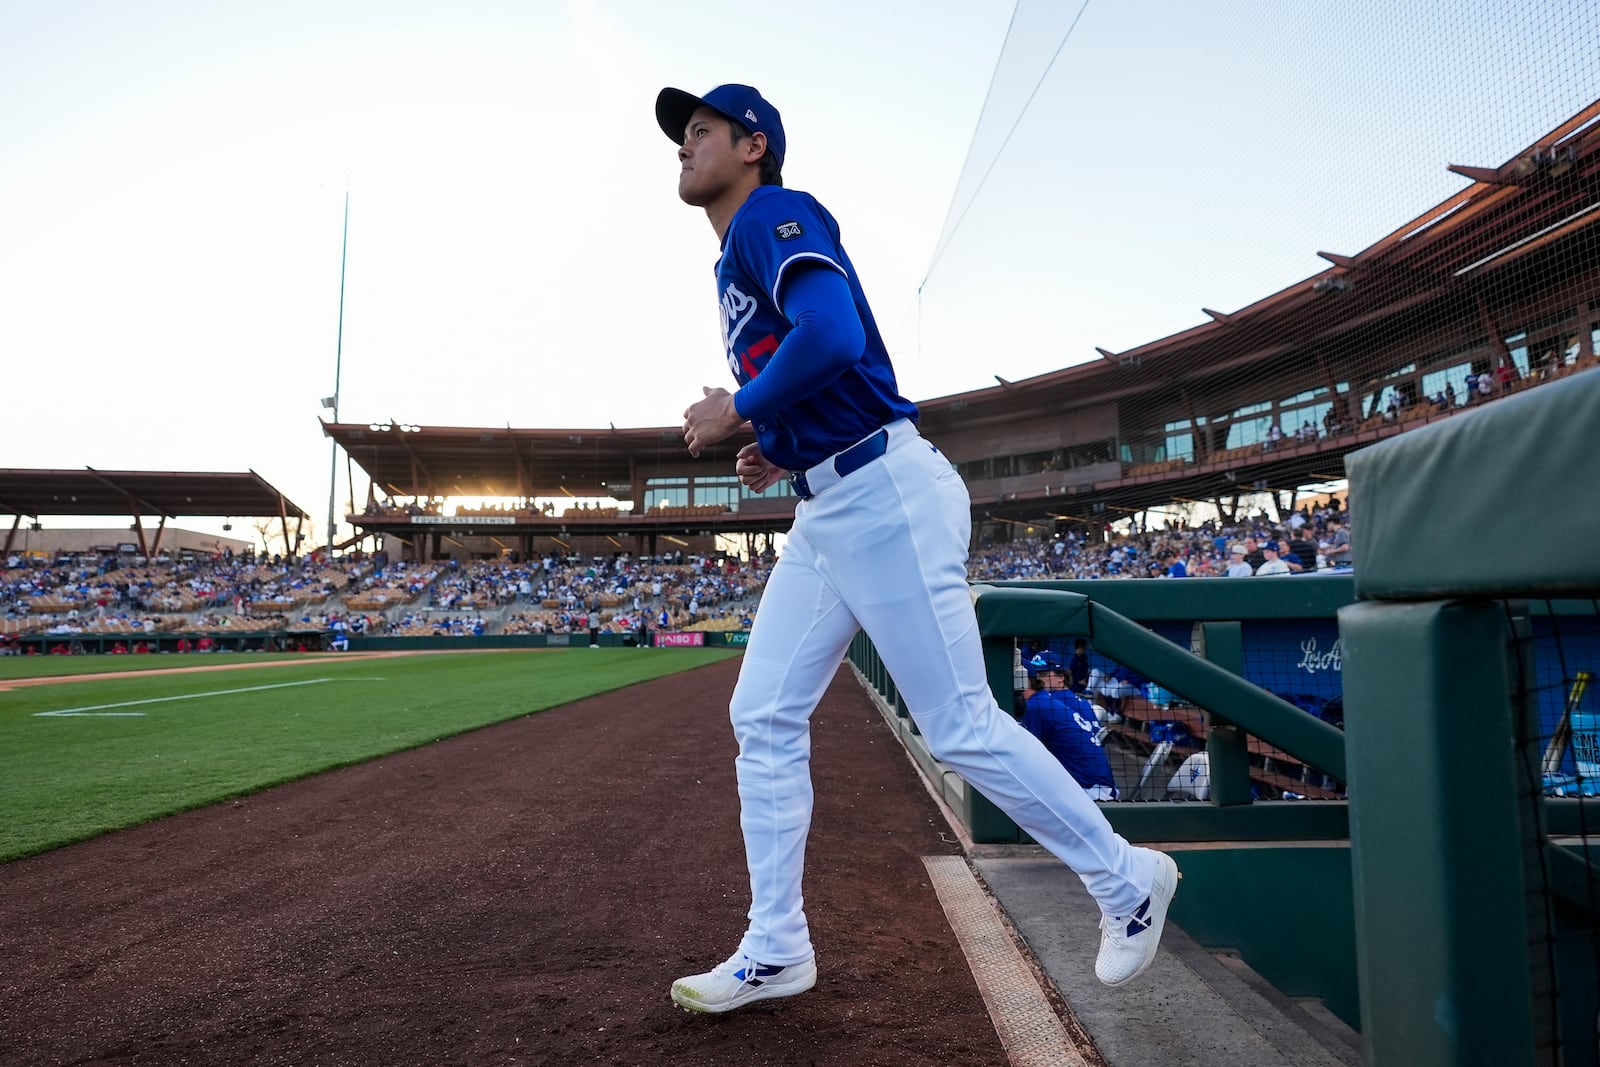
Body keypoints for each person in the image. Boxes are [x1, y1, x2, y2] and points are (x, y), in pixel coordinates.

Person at [659, 82, 1178, 1014]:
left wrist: (739, 402)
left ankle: (1126, 877)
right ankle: (777, 947)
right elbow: (824, 370)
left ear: (754, 146)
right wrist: (772, 442)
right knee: (764, 712)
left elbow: (835, 333)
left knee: (961, 726)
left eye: (699, 132)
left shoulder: (770, 212)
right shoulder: (735, 252)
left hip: (883, 494)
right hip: (828, 507)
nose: (682, 148)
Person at [1021, 651, 1118, 800]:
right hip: (1094, 780)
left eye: (1044, 674)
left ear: (1061, 677)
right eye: (1037, 675)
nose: (1039, 679)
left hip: (1087, 789)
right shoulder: (1077, 702)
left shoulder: (1046, 702)